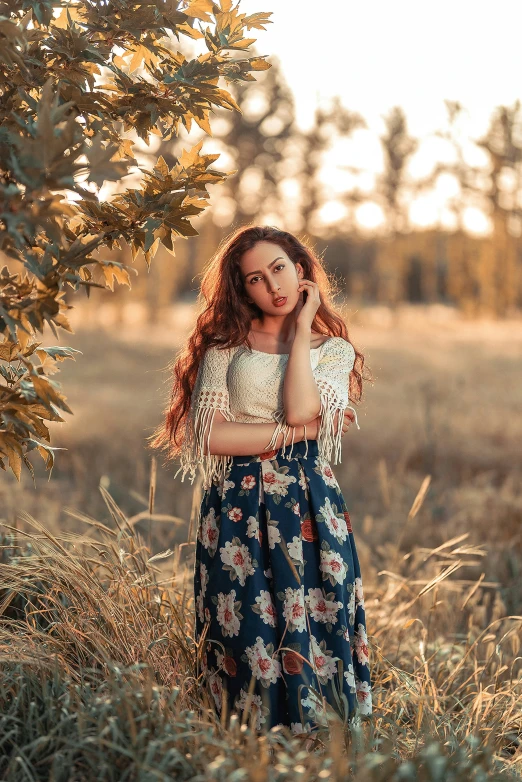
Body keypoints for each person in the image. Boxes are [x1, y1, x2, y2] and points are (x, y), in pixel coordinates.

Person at [150, 225, 372, 738]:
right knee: (242, 623)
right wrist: (297, 433)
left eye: (278, 267)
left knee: (317, 613)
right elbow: (212, 437)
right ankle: (248, 742)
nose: (272, 284)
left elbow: (299, 403)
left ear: (300, 268)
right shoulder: (224, 344)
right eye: (254, 278)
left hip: (310, 503)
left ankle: (324, 739)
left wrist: (300, 333)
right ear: (240, 287)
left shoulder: (331, 349)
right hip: (237, 503)